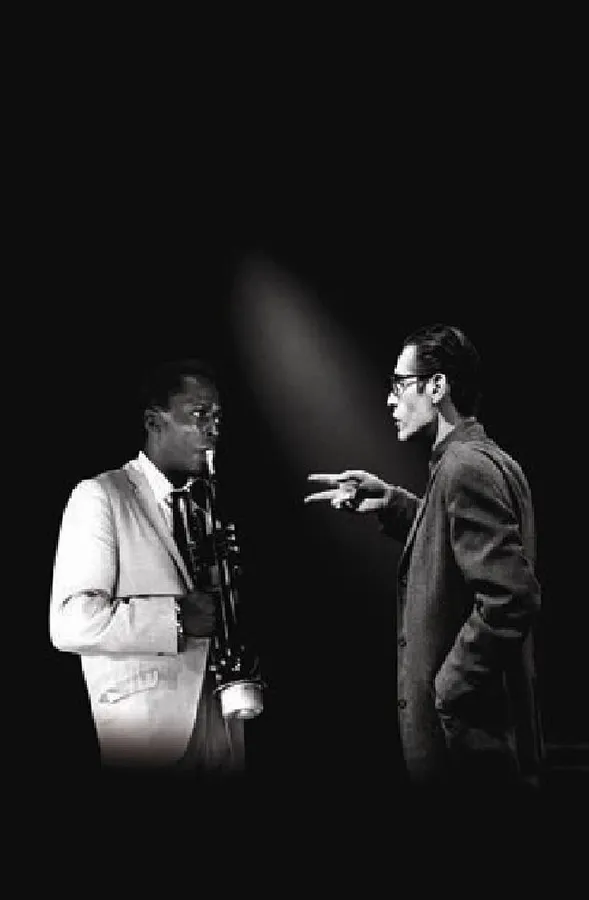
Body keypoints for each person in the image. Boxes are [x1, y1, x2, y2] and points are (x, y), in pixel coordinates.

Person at [304, 324, 544, 800]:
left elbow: (511, 596)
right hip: (479, 740)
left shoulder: (463, 468)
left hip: (468, 747)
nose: (390, 400)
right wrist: (393, 504)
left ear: (437, 387)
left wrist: (450, 686)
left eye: (399, 384)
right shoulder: (484, 460)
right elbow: (455, 545)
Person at [49, 357, 250, 781]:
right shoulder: (100, 496)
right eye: (200, 414)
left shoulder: (206, 510)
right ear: (154, 421)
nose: (214, 429)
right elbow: (70, 622)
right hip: (148, 735)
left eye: (218, 417)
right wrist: (175, 618)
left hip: (222, 726)